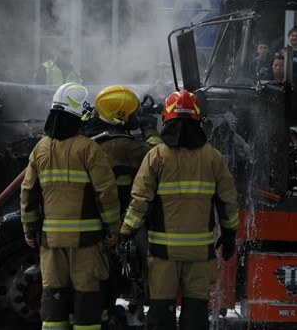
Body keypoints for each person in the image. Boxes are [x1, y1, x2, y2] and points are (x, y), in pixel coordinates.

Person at [120, 90, 239, 329]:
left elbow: (140, 200)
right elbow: (228, 202)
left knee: (161, 308)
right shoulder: (213, 157)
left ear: (166, 118)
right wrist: (229, 235)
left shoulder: (156, 156)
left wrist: (126, 232)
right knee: (195, 310)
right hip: (199, 252)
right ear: (198, 119)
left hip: (163, 253)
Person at [20, 82, 120, 330]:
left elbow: (28, 192)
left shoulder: (40, 149)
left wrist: (29, 228)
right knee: (86, 296)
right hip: (86, 241)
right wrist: (113, 228)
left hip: (51, 242)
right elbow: (105, 192)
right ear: (80, 112)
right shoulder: (88, 149)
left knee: (54, 295)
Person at [82, 85, 162, 327]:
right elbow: (158, 158)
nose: (136, 117)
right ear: (119, 117)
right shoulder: (122, 145)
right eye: (133, 113)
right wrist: (149, 128)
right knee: (133, 263)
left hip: (96, 219)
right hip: (118, 220)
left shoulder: (94, 135)